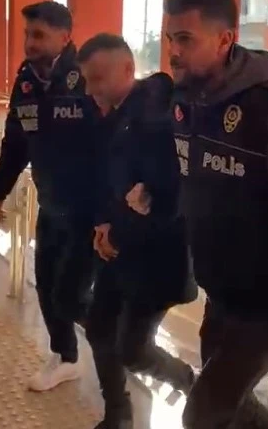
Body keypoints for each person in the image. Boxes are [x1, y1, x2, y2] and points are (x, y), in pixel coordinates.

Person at [166, 0, 268, 429]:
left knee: (203, 413)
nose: (173, 51)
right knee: (228, 403)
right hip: (223, 289)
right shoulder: (187, 103)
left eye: (185, 39)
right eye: (170, 39)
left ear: (225, 40)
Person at [78, 33, 197, 429]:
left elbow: (166, 205)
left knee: (134, 349)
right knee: (99, 327)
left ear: (128, 69)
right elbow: (104, 179)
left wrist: (116, 234)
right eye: (87, 80)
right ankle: (118, 414)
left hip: (156, 262)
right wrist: (102, 223)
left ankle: (189, 382)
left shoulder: (157, 119)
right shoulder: (112, 116)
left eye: (98, 79)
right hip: (117, 252)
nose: (90, 90)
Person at [0, 1, 98, 392]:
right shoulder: (26, 81)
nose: (29, 43)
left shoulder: (87, 76)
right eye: (27, 34)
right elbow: (15, 142)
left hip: (92, 211)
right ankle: (66, 358)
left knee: (71, 296)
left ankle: (124, 343)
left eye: (39, 35)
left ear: (64, 37)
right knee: (48, 288)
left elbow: (117, 138)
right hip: (51, 206)